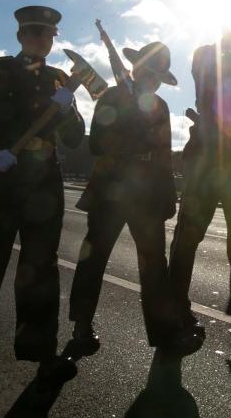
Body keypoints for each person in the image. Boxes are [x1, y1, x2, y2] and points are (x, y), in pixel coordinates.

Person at [0, 5, 85, 382]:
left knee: (41, 266)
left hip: (43, 181)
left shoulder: (62, 79)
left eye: (48, 35)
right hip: (0, 176)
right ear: (20, 36)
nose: (42, 40)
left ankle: (41, 350)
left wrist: (69, 109)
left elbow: (75, 138)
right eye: (34, 33)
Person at [67, 41, 202, 356]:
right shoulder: (113, 97)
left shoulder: (160, 107)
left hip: (147, 196)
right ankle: (81, 326)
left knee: (154, 267)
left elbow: (164, 157)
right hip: (110, 190)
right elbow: (97, 144)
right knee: (94, 259)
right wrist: (128, 131)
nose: (152, 78)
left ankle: (165, 333)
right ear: (136, 68)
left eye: (158, 74)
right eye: (149, 70)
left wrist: (168, 196)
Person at [168, 10, 231, 337]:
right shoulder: (206, 54)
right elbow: (213, 91)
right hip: (208, 158)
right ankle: (175, 307)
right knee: (189, 236)